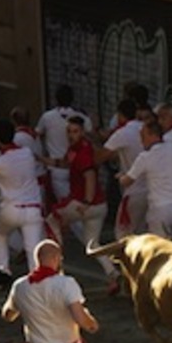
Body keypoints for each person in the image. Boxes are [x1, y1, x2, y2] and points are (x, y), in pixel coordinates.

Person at [42, 116, 120, 294]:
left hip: (84, 203)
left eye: (75, 131)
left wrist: (86, 201)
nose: (71, 135)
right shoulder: (76, 150)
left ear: (82, 132)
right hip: (97, 205)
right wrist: (45, 160)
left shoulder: (83, 152)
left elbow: (90, 176)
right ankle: (113, 273)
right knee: (92, 244)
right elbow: (65, 163)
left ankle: (57, 266)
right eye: (69, 131)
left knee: (51, 220)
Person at [0, 118, 45, 273]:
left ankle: (3, 270)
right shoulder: (27, 153)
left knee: (1, 235)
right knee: (33, 249)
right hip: (33, 208)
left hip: (10, 208)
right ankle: (37, 276)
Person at [118, 120, 172, 243]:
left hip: (160, 209)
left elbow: (127, 181)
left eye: (143, 136)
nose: (141, 141)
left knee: (161, 247)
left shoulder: (145, 157)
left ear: (152, 135)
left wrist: (121, 177)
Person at [36, 84, 93, 201]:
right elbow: (91, 133)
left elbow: (37, 134)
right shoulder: (81, 117)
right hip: (77, 167)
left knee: (64, 205)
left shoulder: (47, 117)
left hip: (56, 167)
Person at [100, 99, 147, 238]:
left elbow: (101, 156)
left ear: (120, 115)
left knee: (123, 233)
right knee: (143, 233)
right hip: (152, 191)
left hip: (133, 191)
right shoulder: (147, 129)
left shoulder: (123, 133)